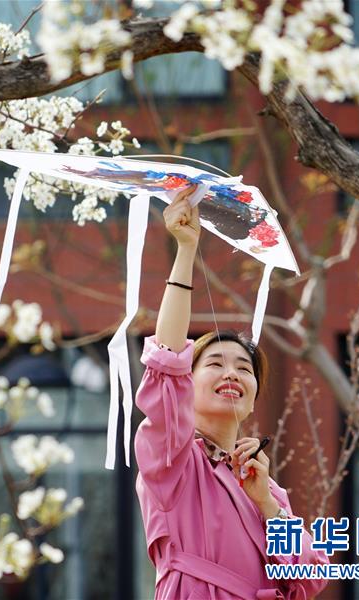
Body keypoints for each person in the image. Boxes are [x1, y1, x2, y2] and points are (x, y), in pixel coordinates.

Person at [133, 185, 329, 599]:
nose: (232, 374)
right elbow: (166, 360)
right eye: (215, 364)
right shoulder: (173, 460)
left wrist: (267, 504)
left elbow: (311, 578)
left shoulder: (266, 486)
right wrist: (186, 252)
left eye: (244, 368)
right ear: (188, 382)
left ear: (255, 393)